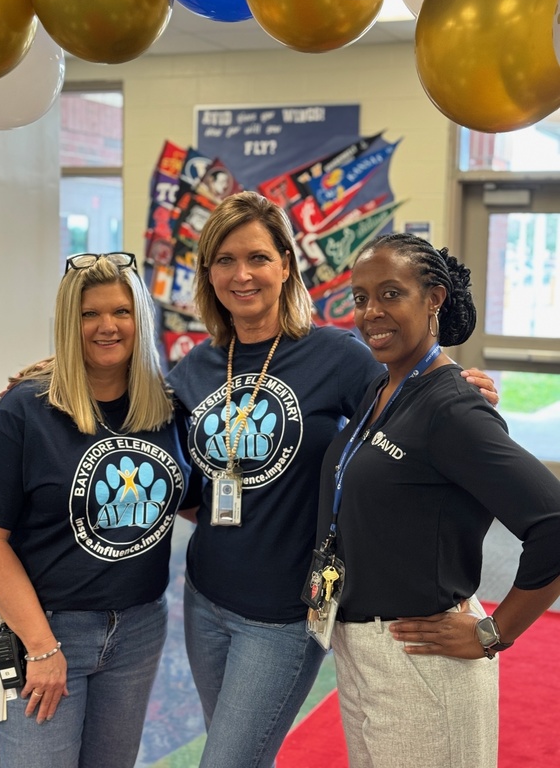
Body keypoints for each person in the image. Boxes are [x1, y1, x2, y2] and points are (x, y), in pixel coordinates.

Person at [165, 192, 499, 768]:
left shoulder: (335, 356)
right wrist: (53, 374)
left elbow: (414, 402)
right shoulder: (193, 367)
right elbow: (151, 445)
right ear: (207, 274)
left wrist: (463, 393)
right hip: (204, 599)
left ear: (286, 265)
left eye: (258, 257)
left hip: (286, 614)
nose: (241, 274)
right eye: (224, 260)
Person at [314, 232, 560, 768]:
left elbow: (554, 524)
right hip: (362, 652)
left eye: (390, 294)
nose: (371, 312)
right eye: (360, 298)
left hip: (422, 659)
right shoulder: (382, 390)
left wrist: (495, 632)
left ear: (434, 299)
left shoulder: (452, 408)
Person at [0, 253, 191, 768]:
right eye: (89, 314)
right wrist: (41, 646)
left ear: (141, 319)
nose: (107, 326)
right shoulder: (24, 409)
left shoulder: (167, 407)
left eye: (121, 311)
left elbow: (192, 498)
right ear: (69, 323)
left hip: (137, 630)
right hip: (42, 627)